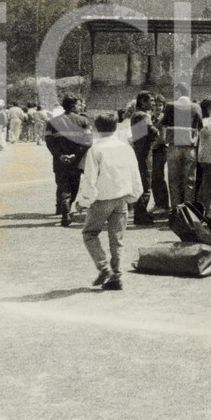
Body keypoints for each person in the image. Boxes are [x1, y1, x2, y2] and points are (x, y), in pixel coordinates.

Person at [72, 112, 143, 291]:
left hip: (101, 199)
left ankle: (104, 268)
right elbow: (135, 173)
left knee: (90, 233)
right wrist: (134, 195)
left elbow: (90, 179)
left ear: (96, 128)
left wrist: (83, 201)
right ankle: (117, 275)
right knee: (117, 239)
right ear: (116, 126)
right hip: (121, 199)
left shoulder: (95, 150)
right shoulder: (126, 147)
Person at [44, 95, 92, 227]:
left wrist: (60, 155)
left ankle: (64, 212)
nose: (80, 106)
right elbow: (88, 142)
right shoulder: (83, 121)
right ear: (73, 106)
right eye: (79, 104)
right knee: (74, 186)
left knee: (63, 186)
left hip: (60, 161)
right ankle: (67, 211)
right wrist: (75, 155)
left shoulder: (52, 122)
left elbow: (49, 142)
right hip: (76, 161)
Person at [163, 83, 203, 209]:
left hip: (173, 147)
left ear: (178, 92)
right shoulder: (196, 107)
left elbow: (164, 124)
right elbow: (200, 126)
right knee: (189, 181)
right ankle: (188, 211)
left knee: (174, 181)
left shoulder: (170, 106)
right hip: (190, 148)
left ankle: (175, 211)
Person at [128, 91, 159, 225]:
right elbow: (153, 131)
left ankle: (140, 213)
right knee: (145, 184)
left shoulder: (136, 115)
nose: (152, 103)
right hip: (144, 154)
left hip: (139, 151)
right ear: (142, 101)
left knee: (142, 183)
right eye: (150, 100)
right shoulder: (142, 115)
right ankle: (141, 215)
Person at [195, 96, 211, 218]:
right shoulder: (206, 121)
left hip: (209, 155)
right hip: (207, 155)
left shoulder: (209, 120)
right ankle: (208, 210)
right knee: (210, 183)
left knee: (206, 182)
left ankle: (201, 207)